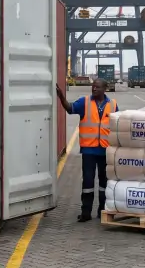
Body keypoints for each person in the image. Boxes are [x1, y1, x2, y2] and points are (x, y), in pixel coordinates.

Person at [55, 78, 118, 222]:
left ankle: (103, 210)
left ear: (105, 89)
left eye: (97, 87)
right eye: (93, 86)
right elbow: (70, 108)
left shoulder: (113, 105)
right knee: (88, 183)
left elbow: (118, 126)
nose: (94, 89)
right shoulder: (84, 102)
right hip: (89, 151)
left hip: (106, 151)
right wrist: (61, 97)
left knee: (104, 183)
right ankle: (86, 212)